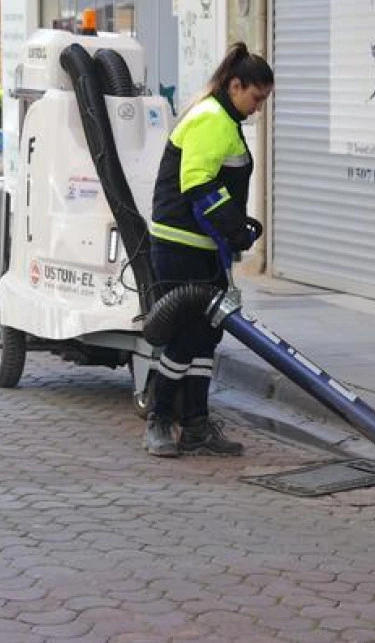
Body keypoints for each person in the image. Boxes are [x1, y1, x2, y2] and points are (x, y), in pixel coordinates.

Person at [145, 42, 273, 457]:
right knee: (184, 337)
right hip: (181, 247)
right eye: (255, 98)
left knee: (206, 337)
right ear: (236, 85)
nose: (257, 108)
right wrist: (235, 229)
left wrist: (235, 229)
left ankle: (197, 425)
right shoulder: (211, 118)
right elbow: (198, 183)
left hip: (204, 249)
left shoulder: (224, 118)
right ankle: (159, 420)